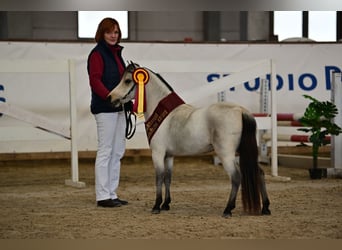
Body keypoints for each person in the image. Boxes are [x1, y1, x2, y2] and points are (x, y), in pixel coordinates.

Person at [87, 17, 130, 208]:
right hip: (105, 108)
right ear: (102, 34)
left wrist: (127, 100)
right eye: (110, 32)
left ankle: (112, 192)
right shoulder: (97, 54)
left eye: (116, 32)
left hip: (120, 108)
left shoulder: (117, 54)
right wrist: (110, 97)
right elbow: (95, 81)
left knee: (117, 151)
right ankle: (102, 195)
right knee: (106, 150)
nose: (114, 35)